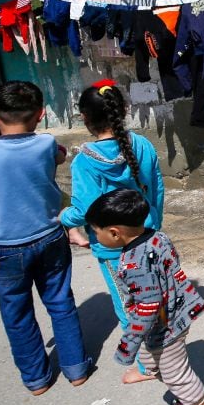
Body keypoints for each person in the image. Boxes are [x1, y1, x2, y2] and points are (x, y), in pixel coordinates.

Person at [0, 81, 92, 394]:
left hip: (3, 248)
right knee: (60, 302)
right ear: (41, 114)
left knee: (16, 313)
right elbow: (56, 158)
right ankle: (76, 370)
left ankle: (36, 379)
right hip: (49, 236)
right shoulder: (46, 144)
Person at [60, 79, 165, 384]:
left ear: (85, 118)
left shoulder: (85, 162)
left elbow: (84, 210)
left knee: (129, 306)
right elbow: (156, 189)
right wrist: (154, 223)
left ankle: (148, 366)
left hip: (113, 251)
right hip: (148, 237)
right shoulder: (141, 145)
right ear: (125, 110)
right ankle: (163, 349)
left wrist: (63, 218)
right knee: (154, 297)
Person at [85, 189, 204, 405]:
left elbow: (148, 307)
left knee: (178, 376)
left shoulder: (134, 264)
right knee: (152, 360)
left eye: (96, 231)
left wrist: (127, 345)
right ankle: (181, 398)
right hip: (177, 313)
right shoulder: (157, 236)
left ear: (115, 233)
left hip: (166, 326)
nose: (94, 236)